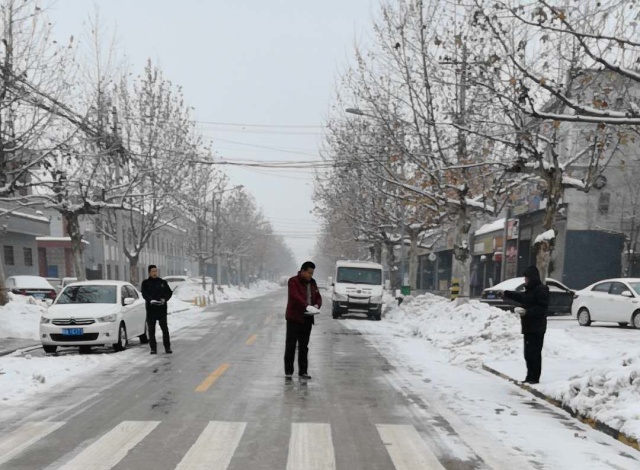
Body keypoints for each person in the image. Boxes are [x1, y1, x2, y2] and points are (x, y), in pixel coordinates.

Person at [499, 266, 549, 384]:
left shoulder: (541, 289)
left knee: (534, 354)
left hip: (537, 327)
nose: (525, 280)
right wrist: (506, 293)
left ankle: (534, 378)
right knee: (527, 354)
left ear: (532, 278)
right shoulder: (530, 290)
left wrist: (527, 312)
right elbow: (521, 297)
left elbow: (542, 308)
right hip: (528, 327)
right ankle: (529, 377)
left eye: (526, 278)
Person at [284, 261, 322, 381]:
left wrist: (316, 305)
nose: (311, 275)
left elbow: (317, 296)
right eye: (309, 273)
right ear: (303, 271)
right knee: (291, 345)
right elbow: (295, 297)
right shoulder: (293, 281)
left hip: (307, 318)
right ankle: (289, 371)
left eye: (312, 273)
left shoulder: (313, 283)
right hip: (294, 318)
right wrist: (306, 305)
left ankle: (303, 371)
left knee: (304, 346)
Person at [141, 265, 173, 355]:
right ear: (149, 272)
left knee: (165, 329)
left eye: (156, 271)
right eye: (152, 271)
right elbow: (144, 294)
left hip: (162, 310)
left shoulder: (162, 282)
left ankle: (167, 347)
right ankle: (153, 348)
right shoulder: (146, 283)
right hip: (151, 310)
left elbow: (169, 293)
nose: (154, 273)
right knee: (151, 331)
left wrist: (164, 299)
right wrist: (150, 299)